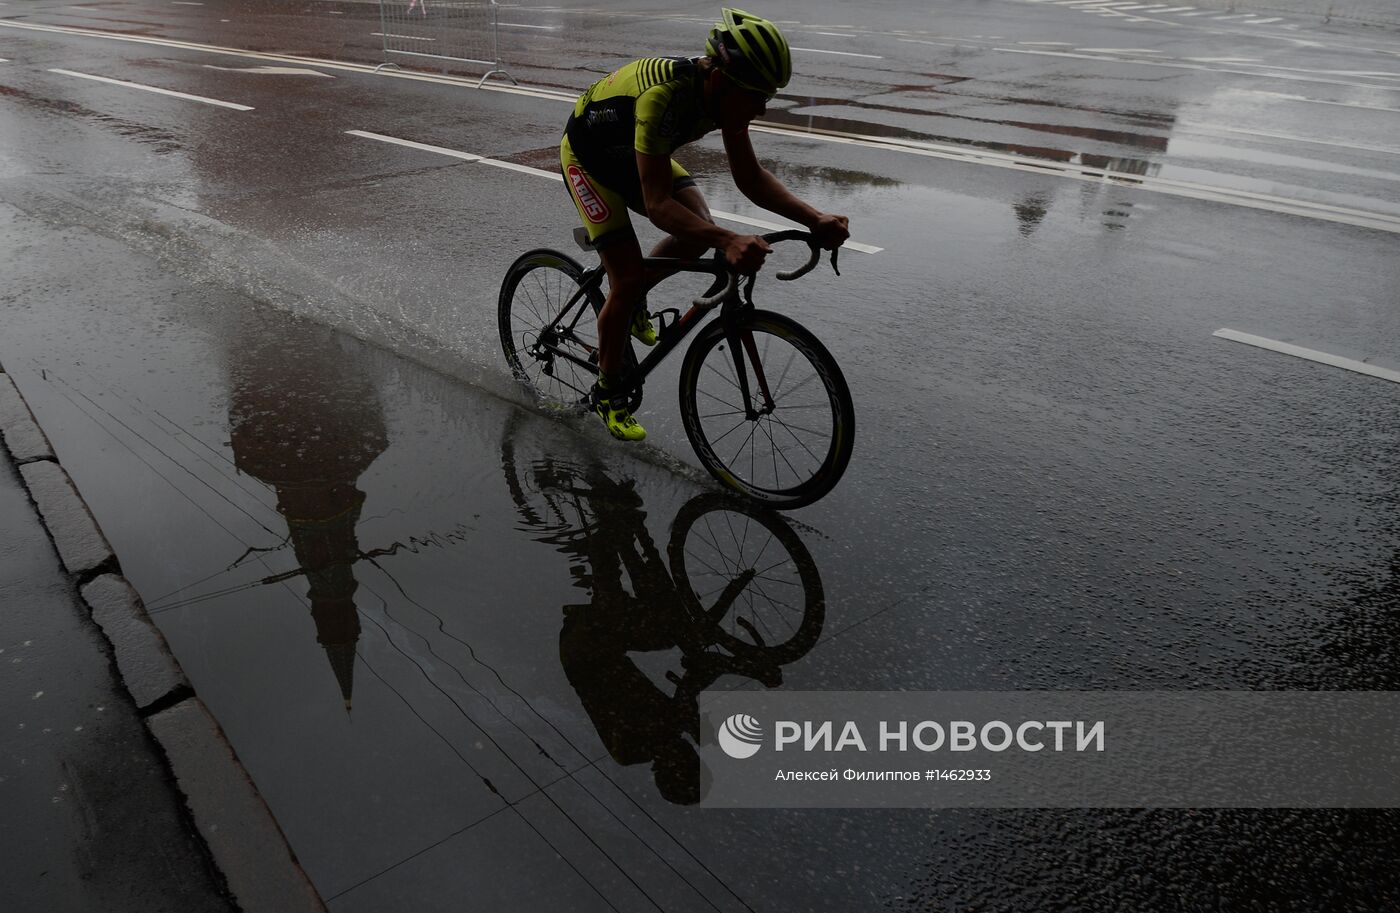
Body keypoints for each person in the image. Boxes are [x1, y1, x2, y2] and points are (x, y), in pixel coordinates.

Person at [560, 7, 850, 441]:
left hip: (633, 153)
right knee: (626, 277)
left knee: (698, 226)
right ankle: (608, 393)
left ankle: (635, 301)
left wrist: (814, 218)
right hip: (588, 160)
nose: (762, 109)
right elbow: (657, 204)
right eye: (756, 97)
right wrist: (730, 239)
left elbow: (749, 177)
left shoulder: (726, 99)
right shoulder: (664, 96)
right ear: (720, 77)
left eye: (767, 97)